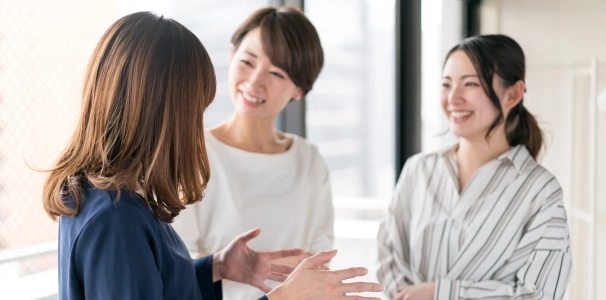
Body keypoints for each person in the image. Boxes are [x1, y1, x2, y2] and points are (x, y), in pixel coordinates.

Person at [41, 11, 383, 300]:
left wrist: (216, 267)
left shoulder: (107, 200)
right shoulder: (116, 220)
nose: (197, 123)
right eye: (193, 109)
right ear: (160, 111)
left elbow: (157, 286)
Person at [377, 34, 571, 300]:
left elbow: (540, 294)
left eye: (470, 84)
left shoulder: (541, 192)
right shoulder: (417, 170)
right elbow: (388, 259)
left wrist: (442, 294)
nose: (453, 98)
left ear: (513, 94)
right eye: (446, 84)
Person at [172, 7, 334, 299]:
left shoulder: (309, 161)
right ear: (232, 56)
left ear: (299, 90)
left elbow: (320, 262)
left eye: (276, 72)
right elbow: (174, 269)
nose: (255, 82)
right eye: (247, 61)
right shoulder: (191, 153)